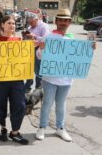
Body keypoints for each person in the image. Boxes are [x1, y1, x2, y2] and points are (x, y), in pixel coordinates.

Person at [35, 9, 97, 142]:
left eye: (66, 20)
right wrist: (41, 48)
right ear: (56, 21)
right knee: (47, 103)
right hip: (50, 79)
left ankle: (60, 128)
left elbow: (78, 58)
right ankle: (42, 127)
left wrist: (89, 50)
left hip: (66, 80)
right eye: (61, 20)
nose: (63, 23)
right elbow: (39, 57)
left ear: (69, 22)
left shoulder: (72, 38)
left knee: (61, 104)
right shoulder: (48, 37)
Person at [0, 15, 29, 145]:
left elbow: (25, 58)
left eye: (13, 23)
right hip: (0, 79)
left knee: (19, 104)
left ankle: (15, 132)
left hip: (16, 79)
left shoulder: (19, 40)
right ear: (2, 25)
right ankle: (3, 127)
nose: (12, 25)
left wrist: (32, 47)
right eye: (9, 23)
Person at [24, 12, 50, 92]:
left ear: (36, 19)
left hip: (40, 50)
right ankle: (28, 86)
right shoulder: (30, 27)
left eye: (31, 22)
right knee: (30, 68)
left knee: (39, 70)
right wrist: (26, 37)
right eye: (29, 22)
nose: (30, 24)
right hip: (30, 50)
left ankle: (38, 89)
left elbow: (46, 39)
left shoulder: (44, 26)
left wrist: (34, 36)